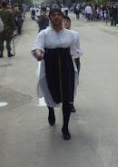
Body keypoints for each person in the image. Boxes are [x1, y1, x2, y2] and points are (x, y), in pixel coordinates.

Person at [32, 8, 80, 140]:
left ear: (62, 17)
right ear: (50, 18)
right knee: (49, 91)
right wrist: (38, 54)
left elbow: (76, 53)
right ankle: (51, 110)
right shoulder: (44, 34)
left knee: (67, 96)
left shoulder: (72, 35)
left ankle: (65, 127)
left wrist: (77, 68)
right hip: (50, 67)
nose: (56, 17)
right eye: (53, 15)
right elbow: (38, 47)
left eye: (59, 15)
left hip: (67, 68)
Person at [63, 16, 83, 113]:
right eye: (64, 21)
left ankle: (70, 103)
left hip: (74, 61)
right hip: (62, 63)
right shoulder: (56, 35)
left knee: (73, 84)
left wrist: (77, 61)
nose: (66, 23)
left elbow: (78, 49)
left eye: (67, 21)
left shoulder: (75, 34)